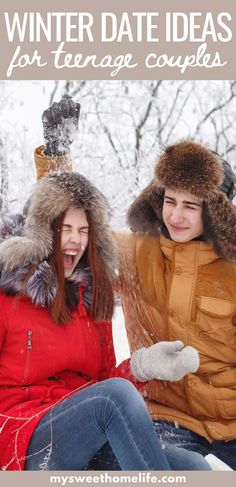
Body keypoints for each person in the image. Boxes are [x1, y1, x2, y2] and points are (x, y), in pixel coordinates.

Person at [0, 107, 211, 471]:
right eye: (65, 229)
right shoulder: (10, 294)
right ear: (43, 231)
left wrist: (142, 366)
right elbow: (110, 398)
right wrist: (56, 152)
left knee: (193, 468)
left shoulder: (89, 301)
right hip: (22, 440)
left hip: (83, 432)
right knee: (113, 399)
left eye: (84, 232)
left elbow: (102, 384)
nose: (75, 241)